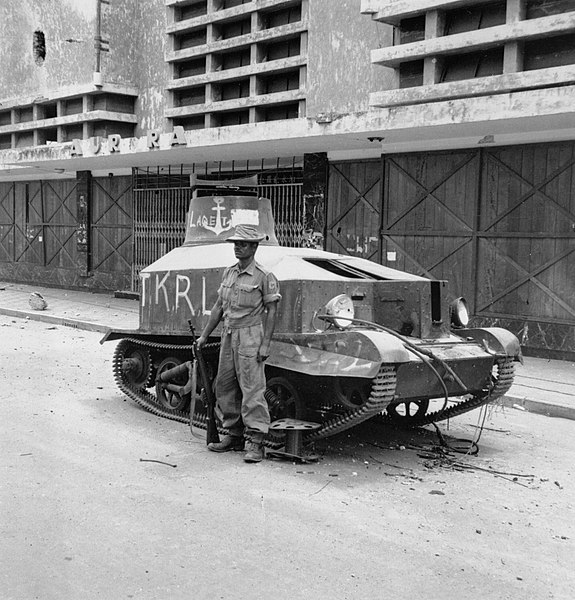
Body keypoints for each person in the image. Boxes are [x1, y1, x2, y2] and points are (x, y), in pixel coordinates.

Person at [197, 224, 281, 463]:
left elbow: (272, 311)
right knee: (224, 386)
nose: (237, 248)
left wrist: (265, 345)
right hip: (229, 334)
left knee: (252, 389)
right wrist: (204, 335)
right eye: (235, 243)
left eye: (242, 244)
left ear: (254, 247)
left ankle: (255, 441)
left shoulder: (264, 276)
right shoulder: (230, 273)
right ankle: (233, 435)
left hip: (250, 335)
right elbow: (218, 307)